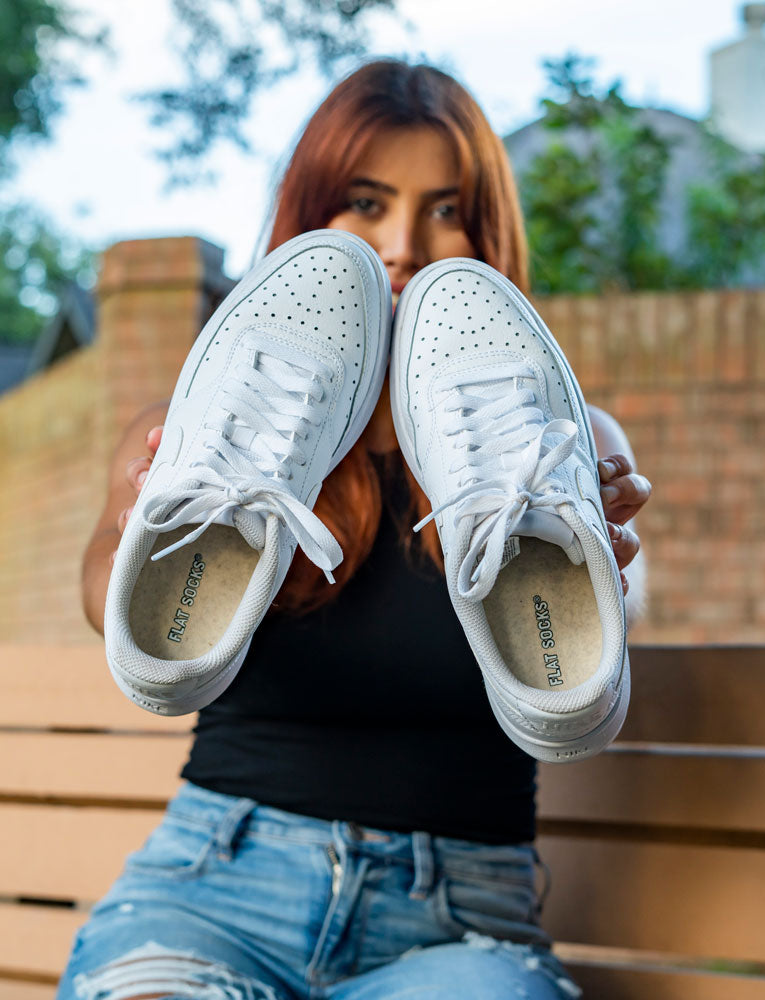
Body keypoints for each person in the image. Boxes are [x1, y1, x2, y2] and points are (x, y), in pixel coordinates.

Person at [63, 59, 651, 1000]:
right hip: (212, 889)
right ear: (309, 213)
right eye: (366, 203)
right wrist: (157, 511)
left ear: (485, 229)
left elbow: (616, 630)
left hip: (459, 925)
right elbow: (103, 598)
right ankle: (233, 504)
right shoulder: (191, 427)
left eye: (446, 210)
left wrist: (608, 577)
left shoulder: (570, 444)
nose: (403, 244)